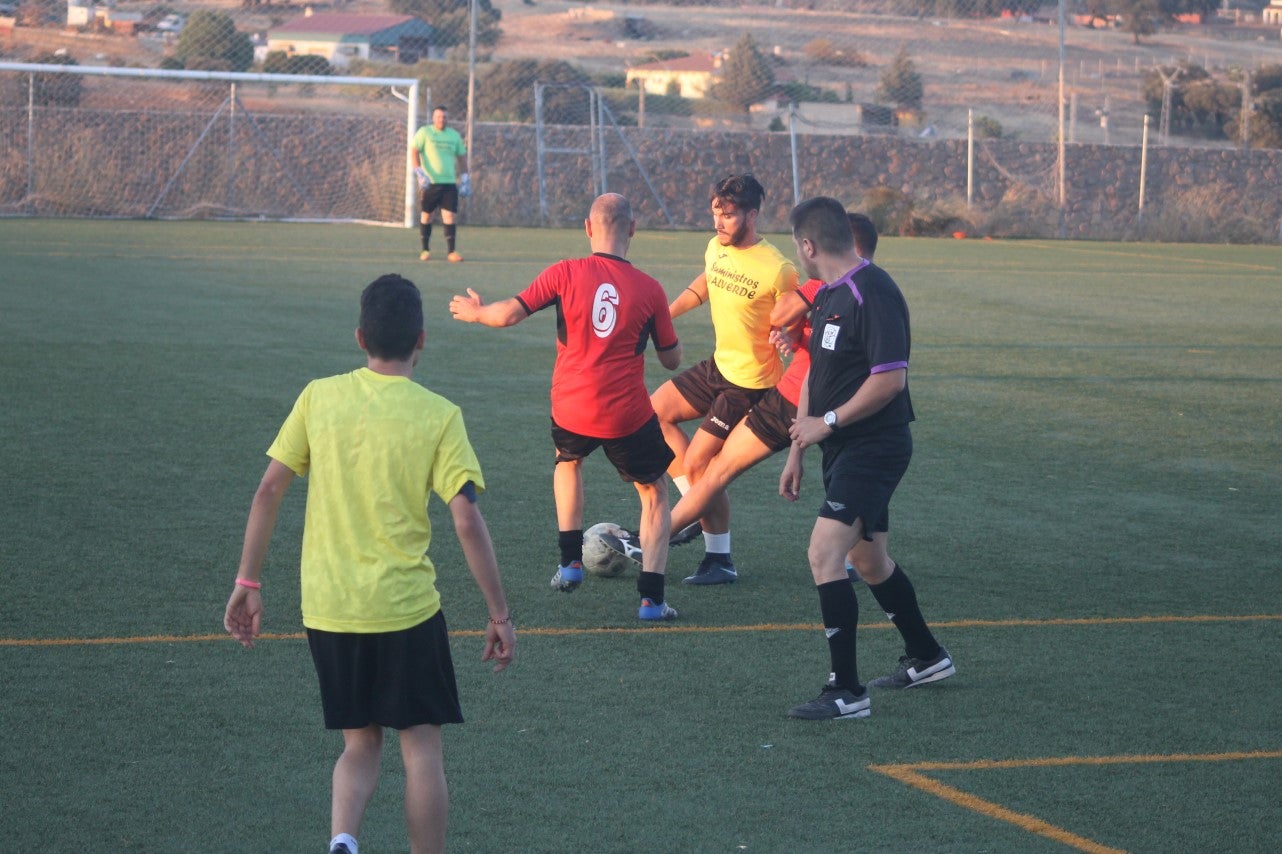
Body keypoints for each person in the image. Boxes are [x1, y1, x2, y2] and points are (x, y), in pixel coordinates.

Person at [223, 274, 516, 854]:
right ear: (422, 339)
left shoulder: (318, 396)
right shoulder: (439, 414)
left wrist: (248, 581)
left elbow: (267, 490)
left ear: (360, 337)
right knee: (421, 746)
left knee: (359, 745)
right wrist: (499, 613)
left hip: (329, 609)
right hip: (406, 610)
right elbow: (465, 519)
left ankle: (343, 839)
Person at [448, 193, 684, 621]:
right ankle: (652, 601)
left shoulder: (564, 272)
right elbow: (671, 360)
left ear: (588, 228)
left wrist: (477, 312)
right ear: (632, 229)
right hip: (626, 414)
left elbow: (507, 315)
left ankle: (570, 563)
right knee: (654, 492)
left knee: (568, 460)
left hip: (572, 406)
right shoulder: (650, 289)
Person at [614, 213, 878, 582]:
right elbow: (811, 340)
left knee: (715, 469)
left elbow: (785, 314)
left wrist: (807, 294)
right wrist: (793, 336)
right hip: (801, 395)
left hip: (795, 397)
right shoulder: (855, 290)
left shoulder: (835, 287)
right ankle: (859, 562)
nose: (809, 251)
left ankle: (652, 540)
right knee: (847, 476)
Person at [779, 197, 954, 721]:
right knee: (869, 561)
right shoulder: (829, 294)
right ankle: (928, 656)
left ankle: (846, 691)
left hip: (875, 447)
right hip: (840, 447)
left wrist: (828, 422)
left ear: (808, 245)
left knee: (823, 554)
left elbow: (890, 380)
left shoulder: (871, 290)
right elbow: (815, 373)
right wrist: (798, 447)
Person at [650, 173, 799, 585]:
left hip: (750, 383)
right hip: (719, 366)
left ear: (752, 215)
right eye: (715, 213)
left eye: (728, 215)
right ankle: (693, 509)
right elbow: (707, 282)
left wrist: (788, 333)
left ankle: (719, 559)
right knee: (653, 413)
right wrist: (663, 316)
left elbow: (799, 313)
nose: (719, 223)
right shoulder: (716, 246)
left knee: (699, 463)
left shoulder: (778, 269)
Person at [411, 106, 469, 263]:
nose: (441, 119)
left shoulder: (454, 135)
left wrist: (465, 177)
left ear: (447, 119)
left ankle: (451, 252)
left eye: (444, 117)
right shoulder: (425, 132)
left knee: (449, 216)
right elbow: (414, 150)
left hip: (449, 183)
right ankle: (425, 250)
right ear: (433, 118)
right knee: (427, 215)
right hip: (430, 183)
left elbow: (462, 157)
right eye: (438, 116)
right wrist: (419, 171)